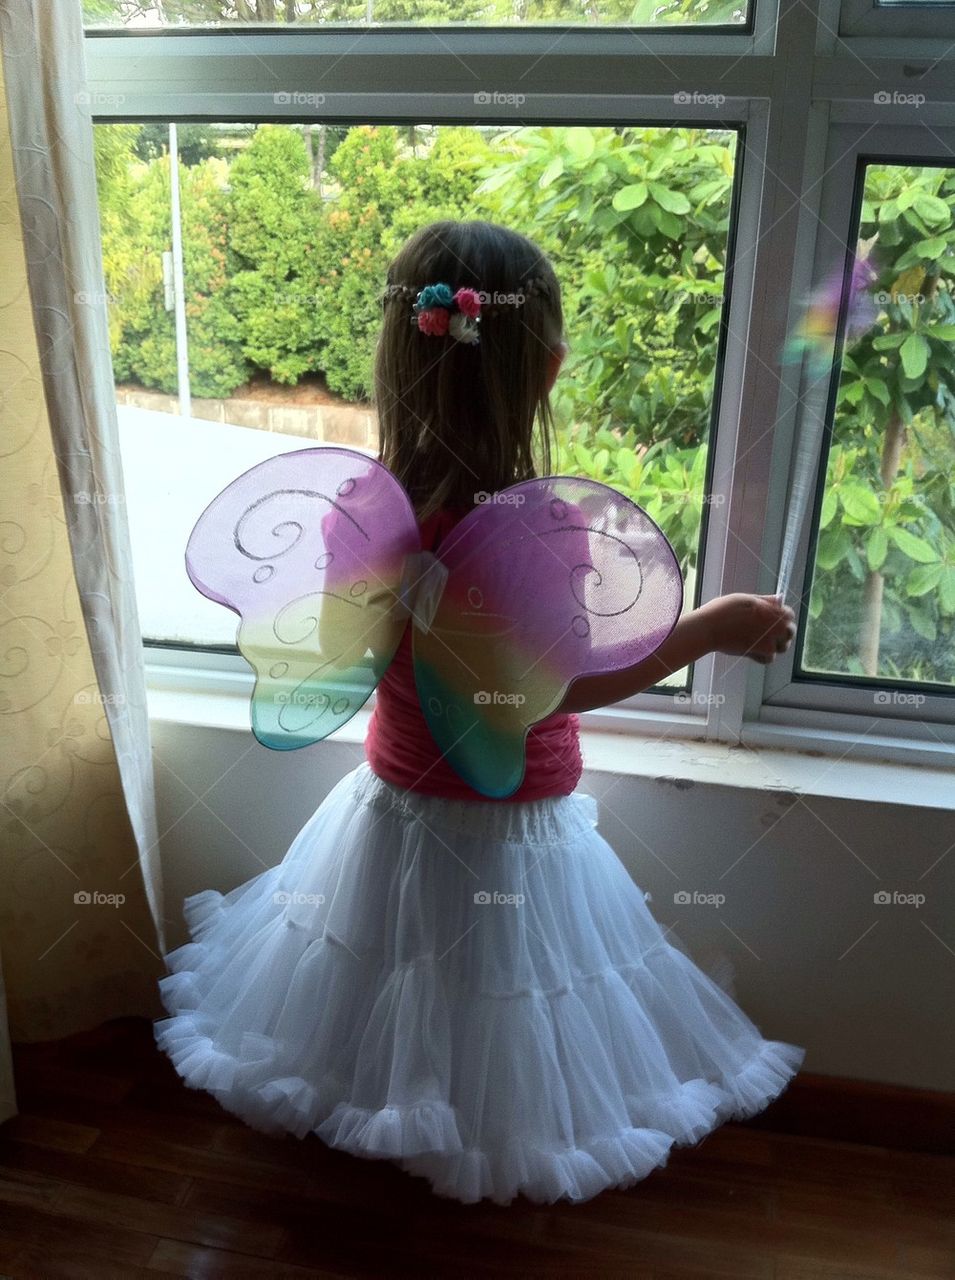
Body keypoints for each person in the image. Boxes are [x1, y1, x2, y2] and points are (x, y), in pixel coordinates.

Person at [155, 219, 804, 1207]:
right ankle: (476, 1127)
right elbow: (560, 688)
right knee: (507, 988)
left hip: (394, 803)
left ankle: (390, 1107)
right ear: (545, 370)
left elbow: (358, 652)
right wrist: (709, 628)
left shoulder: (361, 509)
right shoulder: (539, 528)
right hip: (511, 827)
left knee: (392, 966)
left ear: (395, 352)